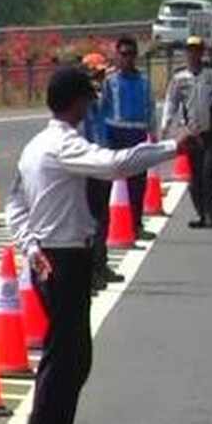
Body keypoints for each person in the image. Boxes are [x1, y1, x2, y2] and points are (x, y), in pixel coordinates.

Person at [5, 66, 194, 424]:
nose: (92, 105)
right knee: (68, 360)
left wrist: (30, 246)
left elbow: (14, 206)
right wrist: (171, 147)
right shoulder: (63, 145)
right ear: (76, 102)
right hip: (65, 258)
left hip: (50, 256)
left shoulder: (35, 146)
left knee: (66, 358)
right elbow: (115, 165)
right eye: (88, 99)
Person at [161, 36, 212, 229]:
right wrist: (166, 124)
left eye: (197, 49)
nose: (194, 54)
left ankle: (210, 214)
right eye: (190, 50)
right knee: (196, 177)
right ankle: (201, 213)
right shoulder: (179, 77)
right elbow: (171, 101)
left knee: (210, 174)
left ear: (202, 51)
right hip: (192, 134)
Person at [101, 37, 155, 240]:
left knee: (137, 183)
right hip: (115, 133)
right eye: (123, 54)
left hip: (137, 133)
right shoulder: (110, 81)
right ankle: (107, 225)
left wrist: (153, 131)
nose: (127, 59)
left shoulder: (143, 81)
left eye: (131, 54)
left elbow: (150, 107)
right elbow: (101, 108)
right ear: (117, 55)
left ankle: (136, 224)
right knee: (108, 182)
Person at [79, 53, 124, 293]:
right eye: (94, 74)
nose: (99, 79)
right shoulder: (80, 103)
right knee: (90, 221)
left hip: (102, 163)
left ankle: (100, 265)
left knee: (103, 218)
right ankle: (90, 272)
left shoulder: (101, 100)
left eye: (101, 74)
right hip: (87, 166)